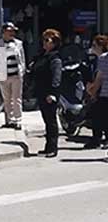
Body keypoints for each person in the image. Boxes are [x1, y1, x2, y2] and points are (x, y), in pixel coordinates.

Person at [31, 29, 63, 158]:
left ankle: (53, 148)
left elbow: (56, 77)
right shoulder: (42, 56)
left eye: (47, 40)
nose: (44, 42)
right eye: (43, 39)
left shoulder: (55, 58)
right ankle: (47, 146)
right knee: (47, 121)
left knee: (51, 122)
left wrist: (53, 93)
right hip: (41, 92)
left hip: (49, 94)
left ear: (54, 43)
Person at [0, 22, 26, 131]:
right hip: (3, 74)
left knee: (16, 98)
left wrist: (22, 71)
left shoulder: (18, 43)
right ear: (4, 32)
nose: (12, 33)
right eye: (9, 31)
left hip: (16, 75)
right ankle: (9, 120)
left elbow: (22, 58)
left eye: (13, 31)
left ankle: (18, 120)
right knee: (7, 99)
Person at [86, 35, 108, 149]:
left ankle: (97, 139)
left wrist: (93, 92)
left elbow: (99, 78)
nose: (92, 48)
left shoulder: (103, 58)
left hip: (103, 93)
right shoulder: (97, 59)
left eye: (94, 45)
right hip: (102, 93)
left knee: (100, 118)